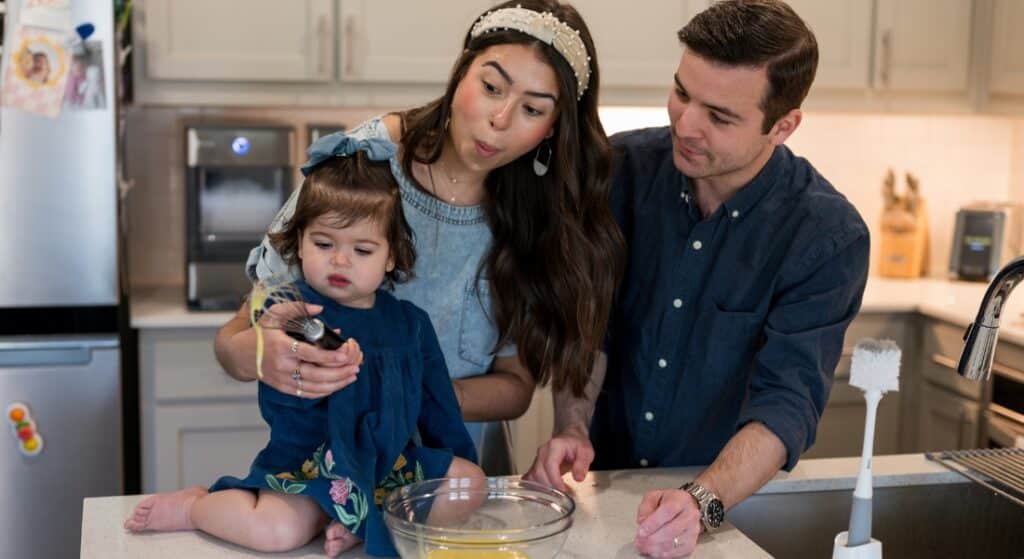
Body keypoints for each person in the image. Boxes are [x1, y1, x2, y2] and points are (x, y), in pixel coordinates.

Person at [213, 0, 622, 478]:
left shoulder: (538, 216)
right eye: (491, 87)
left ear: (552, 129)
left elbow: (515, 388)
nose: (501, 118)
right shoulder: (366, 163)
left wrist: (410, 394)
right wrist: (256, 355)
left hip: (460, 469)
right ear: (461, 71)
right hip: (330, 469)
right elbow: (233, 339)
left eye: (532, 109)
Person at [524, 1, 870, 556]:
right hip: (604, 491)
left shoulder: (826, 235)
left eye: (720, 116)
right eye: (682, 93)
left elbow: (787, 402)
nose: (685, 125)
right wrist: (572, 427)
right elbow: (589, 331)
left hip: (729, 506)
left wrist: (702, 499)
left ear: (783, 126)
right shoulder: (618, 173)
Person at [124, 145, 482, 558]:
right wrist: (318, 362)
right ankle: (195, 507)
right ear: (299, 242)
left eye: (363, 250)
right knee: (276, 531)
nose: (340, 260)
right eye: (324, 243)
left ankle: (362, 523)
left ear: (391, 256)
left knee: (469, 484)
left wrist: (453, 460)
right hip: (313, 470)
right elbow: (280, 406)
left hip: (390, 469)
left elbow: (437, 407)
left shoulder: (410, 324)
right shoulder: (294, 312)